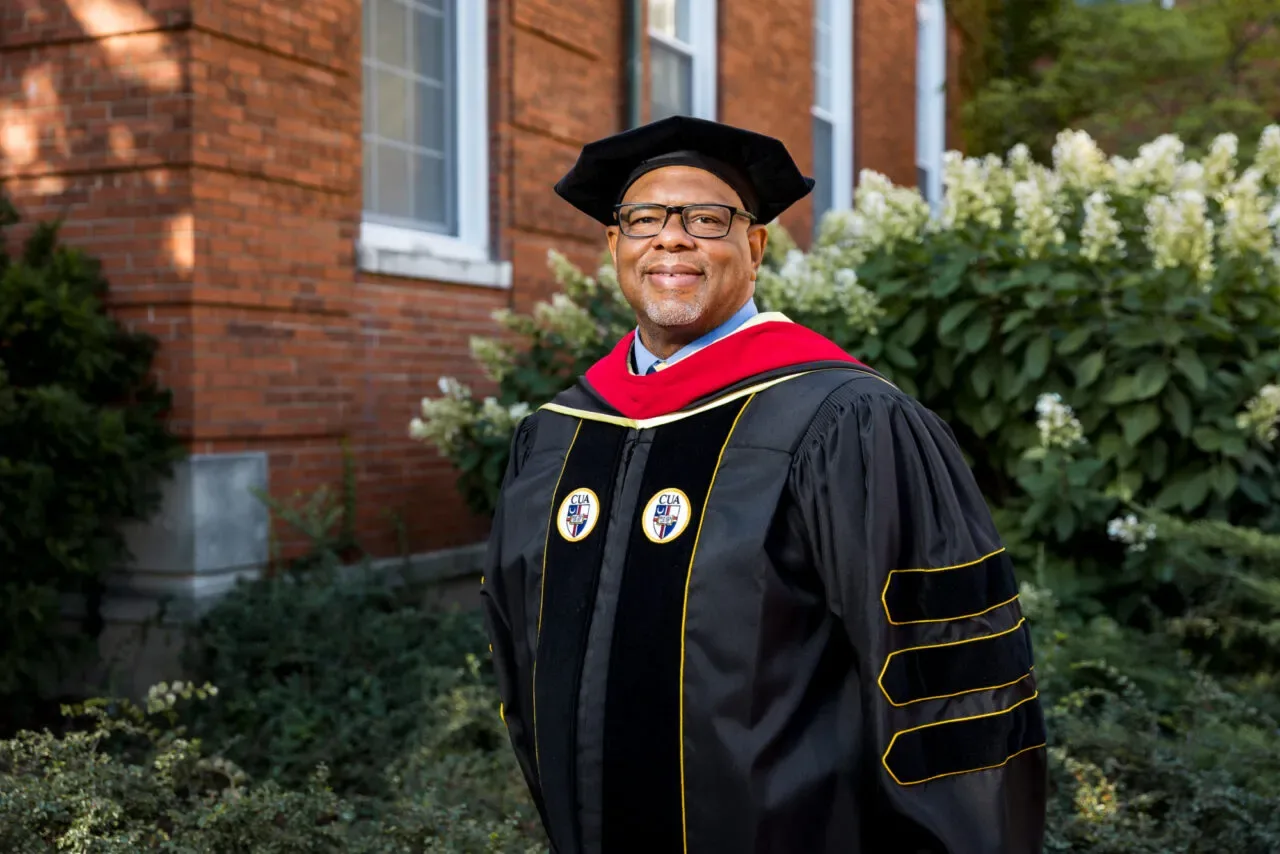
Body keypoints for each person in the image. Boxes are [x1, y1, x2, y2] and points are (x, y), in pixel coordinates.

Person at [480, 115, 1047, 854]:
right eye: (645, 219)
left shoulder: (846, 423)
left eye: (707, 219)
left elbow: (946, 681)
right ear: (615, 246)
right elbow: (521, 669)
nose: (672, 238)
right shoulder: (558, 434)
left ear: (754, 247)